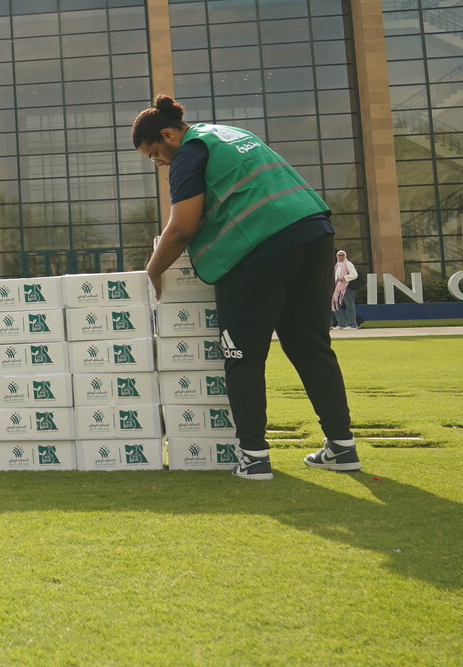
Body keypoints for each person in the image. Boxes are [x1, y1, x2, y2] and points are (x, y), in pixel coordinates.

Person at [134, 94, 358, 481]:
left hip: (260, 248)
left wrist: (152, 272)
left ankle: (254, 457)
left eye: (155, 154)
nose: (161, 163)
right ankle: (342, 446)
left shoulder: (189, 151)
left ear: (168, 135)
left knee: (243, 356)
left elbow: (182, 226)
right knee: (311, 346)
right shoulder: (230, 133)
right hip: (314, 233)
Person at [332, 250, 360, 329]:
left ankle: (352, 324)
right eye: (339, 255)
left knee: (349, 305)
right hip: (338, 287)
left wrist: (345, 278)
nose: (341, 257)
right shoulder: (337, 265)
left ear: (345, 256)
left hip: (347, 287)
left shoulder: (348, 264)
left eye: (342, 255)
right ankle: (341, 323)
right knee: (335, 304)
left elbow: (354, 274)